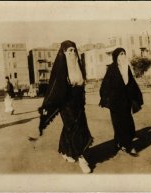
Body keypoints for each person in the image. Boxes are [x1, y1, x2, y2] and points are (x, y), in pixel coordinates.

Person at [38, 40, 93, 173]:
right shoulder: (60, 69)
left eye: (74, 50)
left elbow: (81, 87)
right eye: (69, 51)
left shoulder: (78, 66)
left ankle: (65, 150)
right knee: (74, 127)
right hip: (65, 104)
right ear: (64, 52)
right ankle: (81, 157)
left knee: (73, 127)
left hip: (78, 103)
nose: (73, 53)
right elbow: (54, 89)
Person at [99, 48, 143, 157]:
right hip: (115, 102)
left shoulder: (127, 68)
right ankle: (126, 145)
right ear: (116, 57)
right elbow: (105, 85)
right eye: (120, 54)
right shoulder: (112, 69)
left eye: (124, 53)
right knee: (119, 124)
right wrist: (106, 98)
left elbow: (131, 83)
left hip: (126, 102)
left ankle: (123, 143)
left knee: (127, 123)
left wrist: (136, 96)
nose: (123, 56)